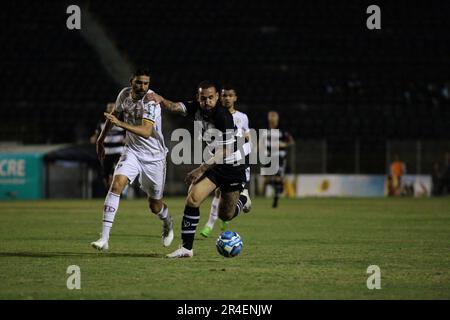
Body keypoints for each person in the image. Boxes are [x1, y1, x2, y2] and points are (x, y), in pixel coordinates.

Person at [146, 81, 251, 258]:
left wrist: (200, 169)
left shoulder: (223, 116)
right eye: (203, 98)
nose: (207, 101)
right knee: (193, 198)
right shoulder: (197, 107)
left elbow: (225, 150)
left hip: (234, 164)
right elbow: (176, 107)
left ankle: (244, 200)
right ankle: (187, 248)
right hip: (216, 163)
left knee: (226, 215)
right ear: (198, 97)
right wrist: (160, 99)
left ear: (217, 97)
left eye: (211, 98)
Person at [91, 68, 174, 251]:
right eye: (139, 82)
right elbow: (113, 116)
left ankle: (167, 221)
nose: (142, 86)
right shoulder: (124, 94)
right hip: (133, 151)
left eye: (146, 83)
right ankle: (104, 238)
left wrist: (121, 124)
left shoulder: (151, 102)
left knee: (154, 206)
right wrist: (100, 139)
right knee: (116, 185)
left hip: (154, 158)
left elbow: (146, 131)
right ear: (131, 81)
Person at [200, 84, 252, 238]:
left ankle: (216, 223)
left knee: (221, 193)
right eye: (224, 95)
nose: (227, 98)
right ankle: (210, 225)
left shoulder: (241, 117)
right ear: (219, 97)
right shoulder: (214, 115)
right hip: (219, 158)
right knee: (218, 192)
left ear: (235, 98)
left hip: (236, 160)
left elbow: (247, 138)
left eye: (230, 95)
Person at [260, 111, 295, 208]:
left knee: (278, 177)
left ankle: (276, 195)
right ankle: (278, 189)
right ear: (268, 118)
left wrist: (284, 144)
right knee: (266, 180)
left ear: (277, 118)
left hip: (279, 156)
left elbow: (291, 141)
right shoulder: (264, 131)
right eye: (270, 115)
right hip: (267, 156)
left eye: (274, 116)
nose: (272, 117)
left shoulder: (282, 131)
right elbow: (260, 143)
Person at [90, 102, 126, 190]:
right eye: (109, 108)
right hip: (106, 152)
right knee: (106, 174)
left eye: (112, 108)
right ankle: (109, 190)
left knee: (117, 172)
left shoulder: (122, 122)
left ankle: (117, 191)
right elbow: (95, 136)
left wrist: (126, 139)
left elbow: (128, 135)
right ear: (107, 109)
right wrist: (94, 138)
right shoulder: (101, 124)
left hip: (119, 151)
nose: (111, 110)